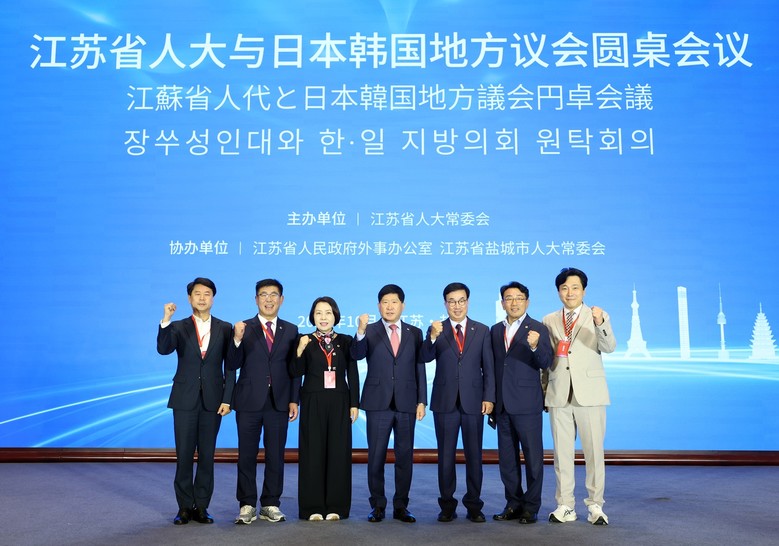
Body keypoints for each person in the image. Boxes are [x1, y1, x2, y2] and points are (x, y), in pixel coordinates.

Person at [156, 277, 236, 525]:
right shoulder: (178, 326)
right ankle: (183, 507)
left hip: (213, 400)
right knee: (184, 455)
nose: (202, 298)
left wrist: (228, 399)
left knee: (207, 456)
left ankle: (201, 506)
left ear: (213, 298)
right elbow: (163, 349)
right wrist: (166, 319)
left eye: (207, 294)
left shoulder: (225, 327)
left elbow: (230, 366)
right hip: (184, 399)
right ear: (190, 298)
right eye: (197, 294)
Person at [542, 267, 616, 525]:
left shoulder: (596, 315)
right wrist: (545, 393)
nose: (569, 292)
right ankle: (565, 505)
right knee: (562, 455)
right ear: (558, 292)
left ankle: (595, 505)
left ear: (584, 290)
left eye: (575, 287)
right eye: (564, 288)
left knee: (594, 453)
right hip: (559, 394)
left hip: (590, 394)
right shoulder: (549, 319)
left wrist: (600, 322)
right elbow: (546, 361)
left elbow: (609, 347)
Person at [351, 284, 427, 524]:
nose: (390, 306)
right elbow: (357, 354)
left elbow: (419, 368)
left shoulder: (415, 332)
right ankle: (378, 506)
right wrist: (360, 331)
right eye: (385, 302)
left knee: (405, 457)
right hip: (378, 403)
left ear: (403, 305)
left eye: (394, 302)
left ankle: (401, 506)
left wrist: (422, 400)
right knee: (376, 457)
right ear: (378, 306)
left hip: (407, 402)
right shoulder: (370, 330)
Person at [226, 279, 300, 525]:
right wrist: (236, 340)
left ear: (281, 299)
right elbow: (232, 364)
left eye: (274, 294)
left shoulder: (291, 330)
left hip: (279, 402)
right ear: (256, 299)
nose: (269, 299)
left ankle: (270, 503)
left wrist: (294, 399)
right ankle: (246, 504)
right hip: (248, 401)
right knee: (246, 455)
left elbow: (295, 369)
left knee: (276, 455)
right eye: (263, 294)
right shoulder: (243, 327)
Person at [421, 282, 495, 523]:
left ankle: (474, 505)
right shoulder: (436, 329)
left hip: (474, 401)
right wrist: (432, 337)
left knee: (475, 456)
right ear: (445, 304)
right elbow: (425, 357)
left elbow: (488, 367)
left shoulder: (482, 330)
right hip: (445, 402)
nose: (457, 305)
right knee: (446, 456)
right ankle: (447, 506)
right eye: (451, 301)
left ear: (468, 302)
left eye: (461, 300)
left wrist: (489, 397)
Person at [489, 281, 553, 525]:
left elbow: (546, 362)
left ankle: (531, 507)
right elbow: (493, 367)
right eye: (509, 298)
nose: (514, 302)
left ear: (527, 302)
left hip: (527, 404)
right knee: (507, 460)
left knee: (533, 459)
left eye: (518, 298)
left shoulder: (538, 328)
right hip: (502, 405)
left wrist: (535, 345)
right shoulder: (495, 330)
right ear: (502, 302)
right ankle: (513, 504)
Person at [292, 297, 360, 521]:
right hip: (313, 400)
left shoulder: (346, 341)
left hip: (340, 400)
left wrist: (354, 403)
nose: (323, 317)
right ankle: (311, 507)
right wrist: (299, 350)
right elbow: (295, 372)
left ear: (335, 316)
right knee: (312, 452)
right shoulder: (304, 340)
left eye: (328, 312)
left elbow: (353, 372)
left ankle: (336, 506)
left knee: (338, 453)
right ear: (312, 316)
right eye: (318, 313)